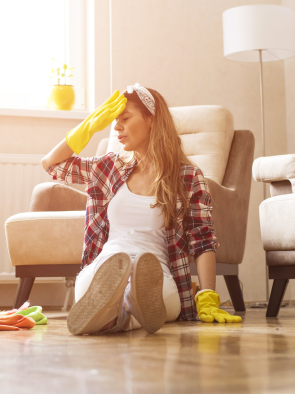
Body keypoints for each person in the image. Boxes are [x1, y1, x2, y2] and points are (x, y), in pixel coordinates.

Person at [41, 84, 242, 335]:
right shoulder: (110, 167)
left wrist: (208, 293)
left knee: (153, 292)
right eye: (114, 121)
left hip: (155, 272)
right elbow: (51, 165)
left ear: (151, 120)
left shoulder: (187, 177)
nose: (116, 127)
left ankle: (115, 316)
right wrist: (89, 127)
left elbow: (202, 239)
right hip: (106, 265)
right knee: (99, 283)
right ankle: (127, 314)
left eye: (125, 118)